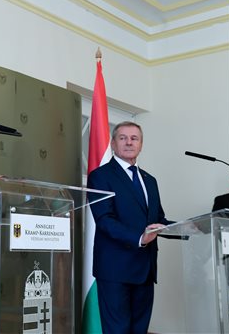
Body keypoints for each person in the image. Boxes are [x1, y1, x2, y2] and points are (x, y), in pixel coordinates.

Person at [87, 121, 174, 334]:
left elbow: (158, 219)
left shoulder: (150, 180)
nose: (129, 142)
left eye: (134, 138)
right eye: (123, 138)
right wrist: (139, 238)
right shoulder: (100, 176)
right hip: (115, 270)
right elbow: (104, 219)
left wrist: (191, 228)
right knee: (118, 330)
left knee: (139, 330)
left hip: (145, 270)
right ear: (113, 143)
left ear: (141, 144)